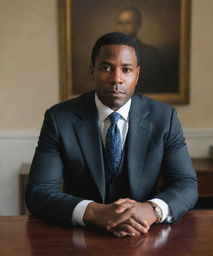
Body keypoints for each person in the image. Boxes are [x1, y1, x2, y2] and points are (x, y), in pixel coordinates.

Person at [26, 32, 198, 237]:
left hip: (145, 235)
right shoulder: (59, 118)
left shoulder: (164, 118)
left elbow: (186, 184)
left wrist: (151, 210)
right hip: (81, 238)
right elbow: (39, 192)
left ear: (137, 75)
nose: (116, 79)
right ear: (92, 72)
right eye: (106, 68)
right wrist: (93, 212)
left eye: (126, 69)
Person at [115, 7, 173, 93]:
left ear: (138, 25)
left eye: (128, 23)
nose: (123, 27)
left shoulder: (152, 54)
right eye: (120, 23)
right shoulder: (106, 53)